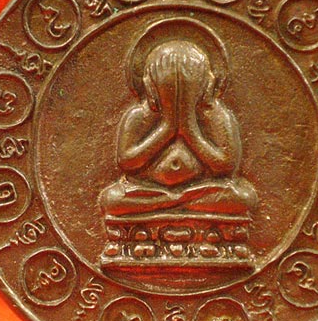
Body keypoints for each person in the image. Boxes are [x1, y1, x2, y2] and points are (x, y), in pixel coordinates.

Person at [99, 39, 257, 218]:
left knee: (244, 197)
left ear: (207, 86)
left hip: (203, 190)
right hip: (148, 190)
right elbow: (127, 162)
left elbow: (225, 166)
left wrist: (189, 129)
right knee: (111, 198)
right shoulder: (139, 116)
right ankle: (175, 202)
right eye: (169, 90)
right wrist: (167, 127)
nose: (178, 96)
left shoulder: (216, 116)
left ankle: (167, 203)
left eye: (188, 89)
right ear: (150, 87)